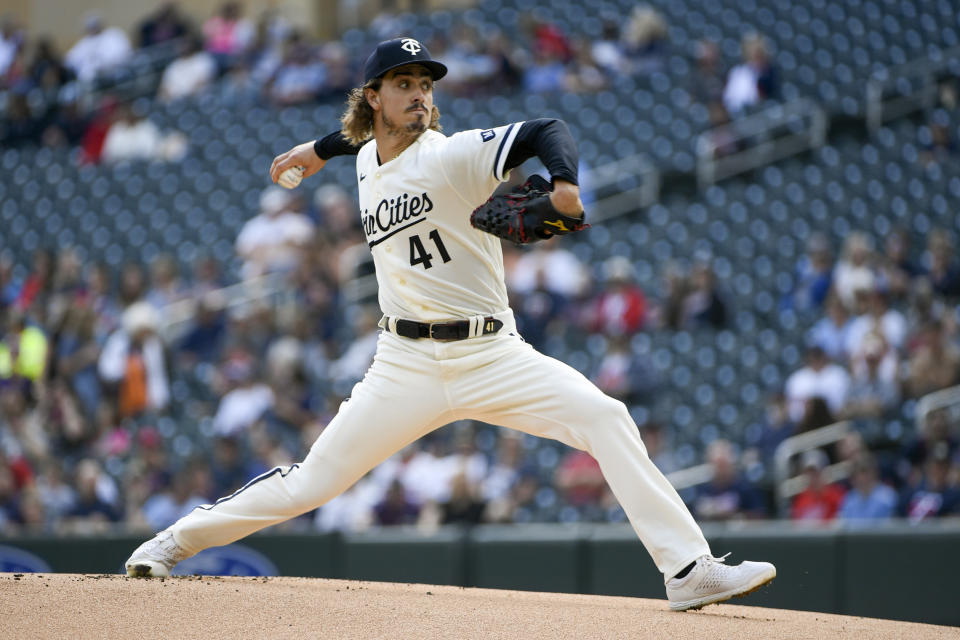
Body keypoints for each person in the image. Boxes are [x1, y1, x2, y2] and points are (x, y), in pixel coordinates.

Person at [125, 36, 775, 611]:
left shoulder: (452, 155)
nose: (419, 94)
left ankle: (688, 570)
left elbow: (546, 128)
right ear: (374, 96)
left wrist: (566, 184)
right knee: (312, 484)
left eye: (426, 84)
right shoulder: (362, 159)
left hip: (491, 354)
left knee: (606, 417)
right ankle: (176, 539)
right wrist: (317, 150)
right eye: (404, 84)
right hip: (402, 364)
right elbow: (357, 140)